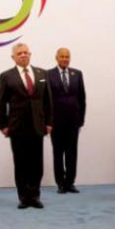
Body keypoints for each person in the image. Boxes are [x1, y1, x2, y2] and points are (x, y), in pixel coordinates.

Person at [0, 43, 53, 209]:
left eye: (25, 53)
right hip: (17, 126)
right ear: (13, 57)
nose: (23, 55)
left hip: (38, 125)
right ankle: (23, 197)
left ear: (30, 54)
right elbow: (1, 102)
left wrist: (49, 122)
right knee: (21, 163)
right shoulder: (7, 76)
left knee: (37, 164)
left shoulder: (42, 73)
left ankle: (34, 196)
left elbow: (48, 101)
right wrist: (3, 125)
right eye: (19, 53)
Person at [46, 48, 86, 194]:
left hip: (73, 121)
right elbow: (46, 100)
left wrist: (81, 119)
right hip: (56, 122)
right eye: (62, 56)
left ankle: (70, 183)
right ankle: (61, 184)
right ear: (56, 58)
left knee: (72, 153)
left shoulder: (77, 74)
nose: (64, 59)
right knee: (58, 153)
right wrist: (48, 121)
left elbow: (82, 98)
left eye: (67, 56)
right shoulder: (48, 74)